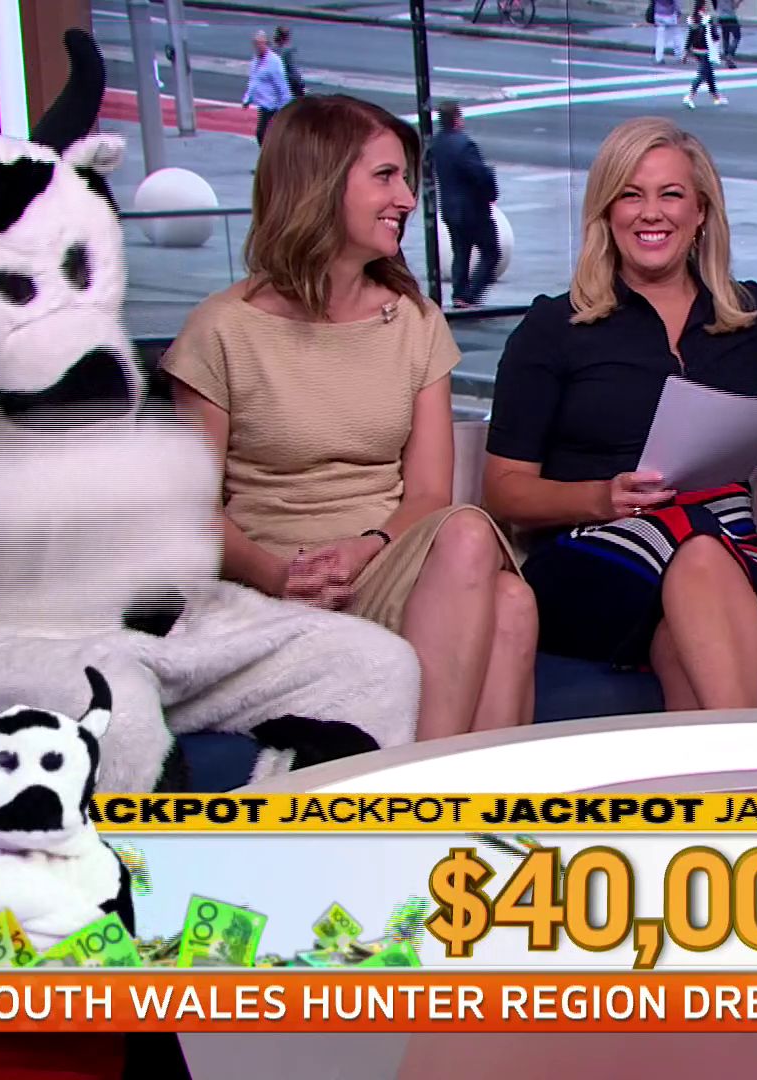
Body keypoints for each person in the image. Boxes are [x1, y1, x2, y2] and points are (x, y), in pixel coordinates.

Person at [164, 95, 537, 742]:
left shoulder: (414, 320)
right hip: (269, 578)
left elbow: (428, 495)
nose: (407, 199)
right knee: (510, 604)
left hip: (386, 560)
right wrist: (280, 575)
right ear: (320, 184)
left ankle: (425, 785)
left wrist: (367, 548)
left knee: (477, 549)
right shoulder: (221, 331)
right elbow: (191, 514)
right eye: (385, 177)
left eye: (406, 179)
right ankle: (450, 793)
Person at [484, 118, 757, 712]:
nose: (652, 213)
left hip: (729, 543)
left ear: (701, 211)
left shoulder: (749, 314)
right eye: (631, 195)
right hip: (594, 550)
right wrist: (602, 497)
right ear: (606, 212)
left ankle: (720, 767)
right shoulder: (553, 328)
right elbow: (504, 489)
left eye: (671, 194)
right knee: (696, 553)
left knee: (687, 626)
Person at [428, 101, 501, 308]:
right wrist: (491, 192)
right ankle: (470, 295)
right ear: (457, 119)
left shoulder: (437, 143)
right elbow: (479, 175)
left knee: (461, 253)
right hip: (472, 210)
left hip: (451, 209)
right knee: (491, 252)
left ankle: (459, 294)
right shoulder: (464, 145)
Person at [241, 30, 292, 147]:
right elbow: (253, 80)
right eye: (256, 44)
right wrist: (247, 99)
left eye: (261, 43)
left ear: (266, 44)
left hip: (274, 104)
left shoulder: (274, 62)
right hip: (264, 104)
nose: (258, 46)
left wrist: (285, 107)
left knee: (263, 133)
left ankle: (273, 153)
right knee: (263, 134)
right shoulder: (256, 60)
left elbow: (282, 85)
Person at [683, 0, 728, 108]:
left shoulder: (692, 19)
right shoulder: (708, 19)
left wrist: (686, 51)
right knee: (702, 74)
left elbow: (690, 36)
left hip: (696, 50)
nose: (707, 7)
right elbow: (715, 36)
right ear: (702, 7)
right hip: (706, 50)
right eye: (705, 6)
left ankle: (717, 98)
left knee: (709, 75)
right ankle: (689, 97)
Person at [273, 26, 306, 98]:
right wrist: (301, 84)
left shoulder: (270, 50)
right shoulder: (288, 51)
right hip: (287, 83)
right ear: (287, 37)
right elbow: (293, 70)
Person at [715, 0, 743, 68]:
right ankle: (730, 55)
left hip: (721, 17)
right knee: (737, 36)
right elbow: (734, 6)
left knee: (725, 37)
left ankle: (727, 59)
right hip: (731, 17)